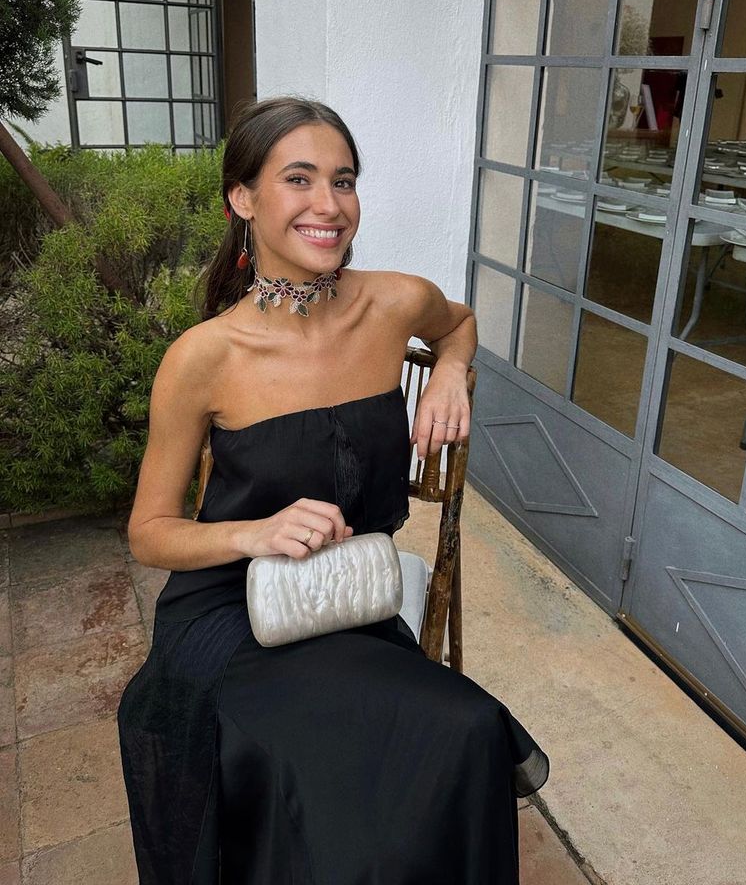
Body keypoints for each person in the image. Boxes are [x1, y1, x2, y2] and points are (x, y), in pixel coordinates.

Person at [117, 96, 549, 885]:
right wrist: (253, 533)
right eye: (300, 179)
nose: (329, 205)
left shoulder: (392, 303)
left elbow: (454, 323)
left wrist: (450, 369)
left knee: (469, 728)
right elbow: (148, 533)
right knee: (329, 801)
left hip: (348, 599)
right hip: (231, 612)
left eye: (343, 181)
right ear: (243, 200)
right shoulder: (203, 358)